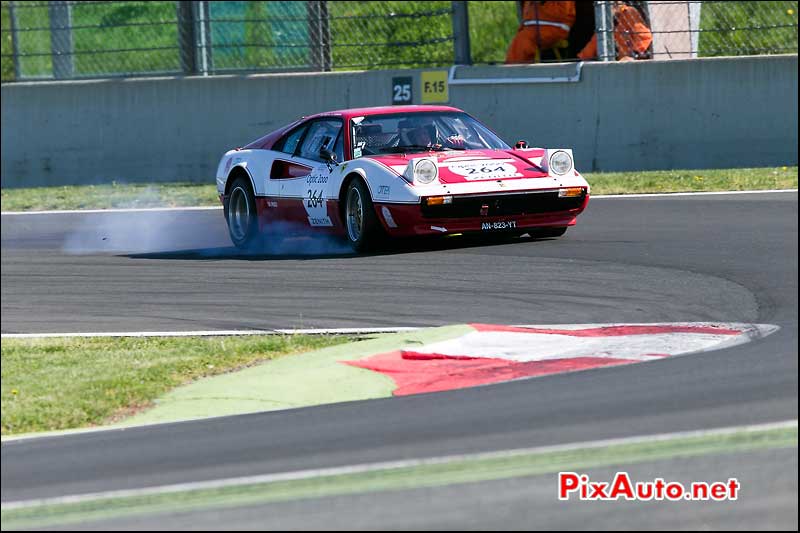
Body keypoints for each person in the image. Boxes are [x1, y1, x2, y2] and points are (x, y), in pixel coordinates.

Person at [578, 1, 652, 61]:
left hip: (634, 63)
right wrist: (581, 60)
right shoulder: (606, 22)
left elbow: (645, 36)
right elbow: (593, 44)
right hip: (617, 64)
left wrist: (633, 55)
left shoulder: (629, 12)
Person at [506, 1, 576, 64]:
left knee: (523, 41)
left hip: (552, 28)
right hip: (532, 29)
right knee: (521, 40)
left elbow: (561, 12)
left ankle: (512, 72)